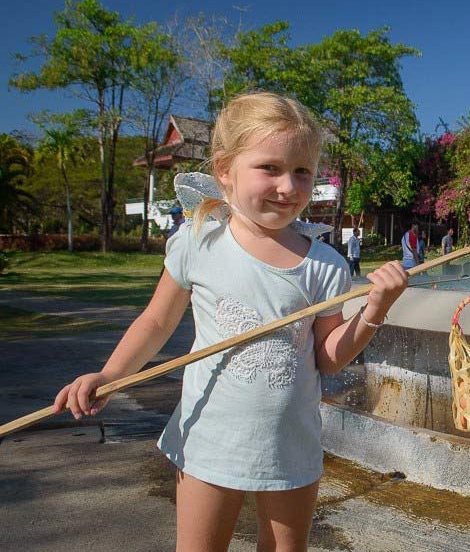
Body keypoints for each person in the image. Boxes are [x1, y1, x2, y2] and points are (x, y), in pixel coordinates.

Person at [51, 92, 409, 551]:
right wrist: (111, 374)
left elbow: (328, 359)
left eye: (302, 172)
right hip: (209, 436)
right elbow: (156, 323)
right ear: (225, 171)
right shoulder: (198, 242)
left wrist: (375, 310)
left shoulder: (325, 264)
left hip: (290, 440)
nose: (288, 186)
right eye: (270, 168)